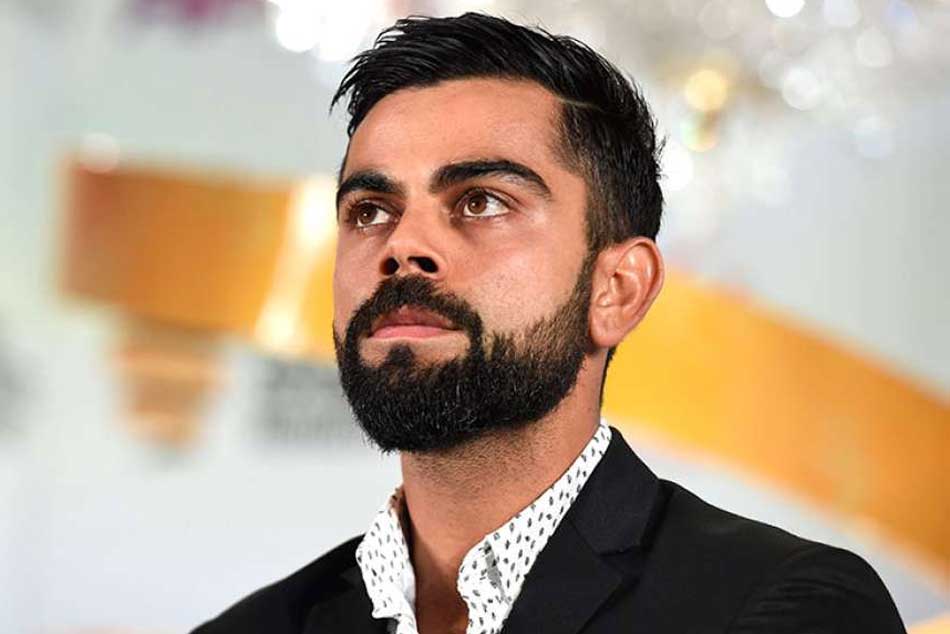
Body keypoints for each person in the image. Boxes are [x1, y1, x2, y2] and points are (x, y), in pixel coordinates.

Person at [191, 13, 906, 634]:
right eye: (370, 211)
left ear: (618, 289)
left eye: (481, 201)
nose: (403, 245)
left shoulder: (783, 605)